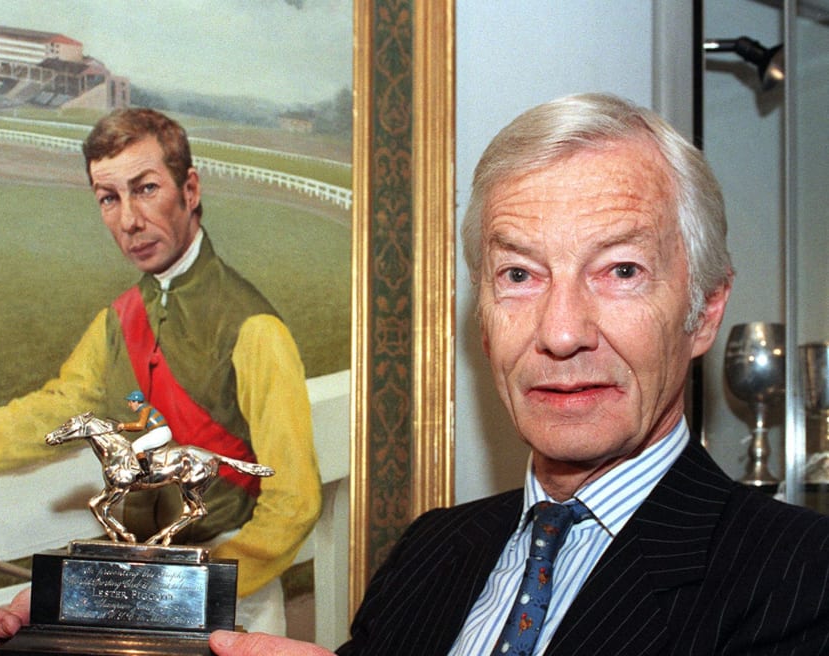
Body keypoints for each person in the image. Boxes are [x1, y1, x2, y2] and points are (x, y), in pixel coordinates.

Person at [99, 91, 827, 655]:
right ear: (480, 316)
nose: (562, 332)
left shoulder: (799, 577)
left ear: (703, 312)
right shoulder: (433, 552)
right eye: (519, 274)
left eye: (621, 270)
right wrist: (90, 622)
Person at [0, 107, 322, 636]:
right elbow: (59, 406)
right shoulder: (117, 321)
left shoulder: (255, 327)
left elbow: (294, 500)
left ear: (191, 189)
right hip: (137, 595)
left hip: (231, 607)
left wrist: (193, 588)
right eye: (109, 198)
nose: (129, 220)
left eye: (146, 188)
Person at [116, 390, 171, 475]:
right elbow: (139, 428)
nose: (129, 405)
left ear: (136, 402)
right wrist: (125, 428)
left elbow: (140, 426)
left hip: (160, 433)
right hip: (160, 432)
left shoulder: (144, 409)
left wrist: (124, 425)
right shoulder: (145, 408)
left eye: (130, 402)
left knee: (136, 445)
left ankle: (145, 471)